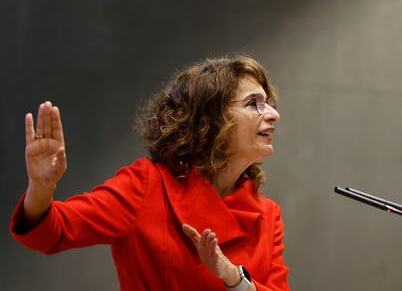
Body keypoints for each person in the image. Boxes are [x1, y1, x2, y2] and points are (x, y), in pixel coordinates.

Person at [10, 55, 290, 291]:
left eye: (268, 104)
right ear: (210, 119)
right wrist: (41, 187)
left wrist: (232, 278)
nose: (273, 114)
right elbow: (50, 233)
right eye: (253, 103)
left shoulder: (267, 215)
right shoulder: (147, 185)